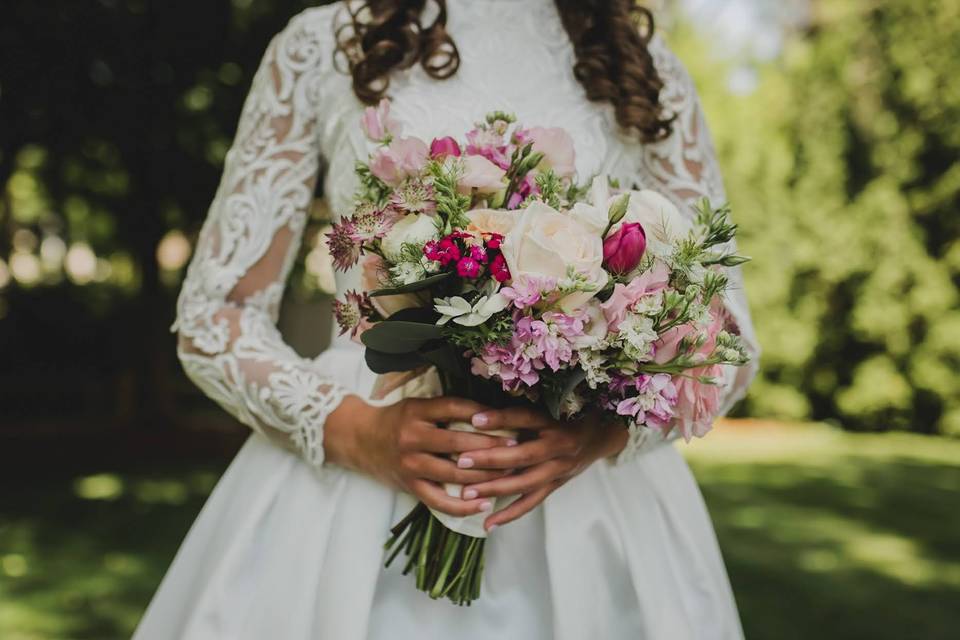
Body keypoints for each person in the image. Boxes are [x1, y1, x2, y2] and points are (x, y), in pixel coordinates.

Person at [133, 1, 761, 638]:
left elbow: (730, 336)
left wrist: (600, 437)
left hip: (587, 506)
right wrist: (355, 432)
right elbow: (218, 314)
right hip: (357, 479)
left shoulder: (643, 68)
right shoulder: (323, 45)